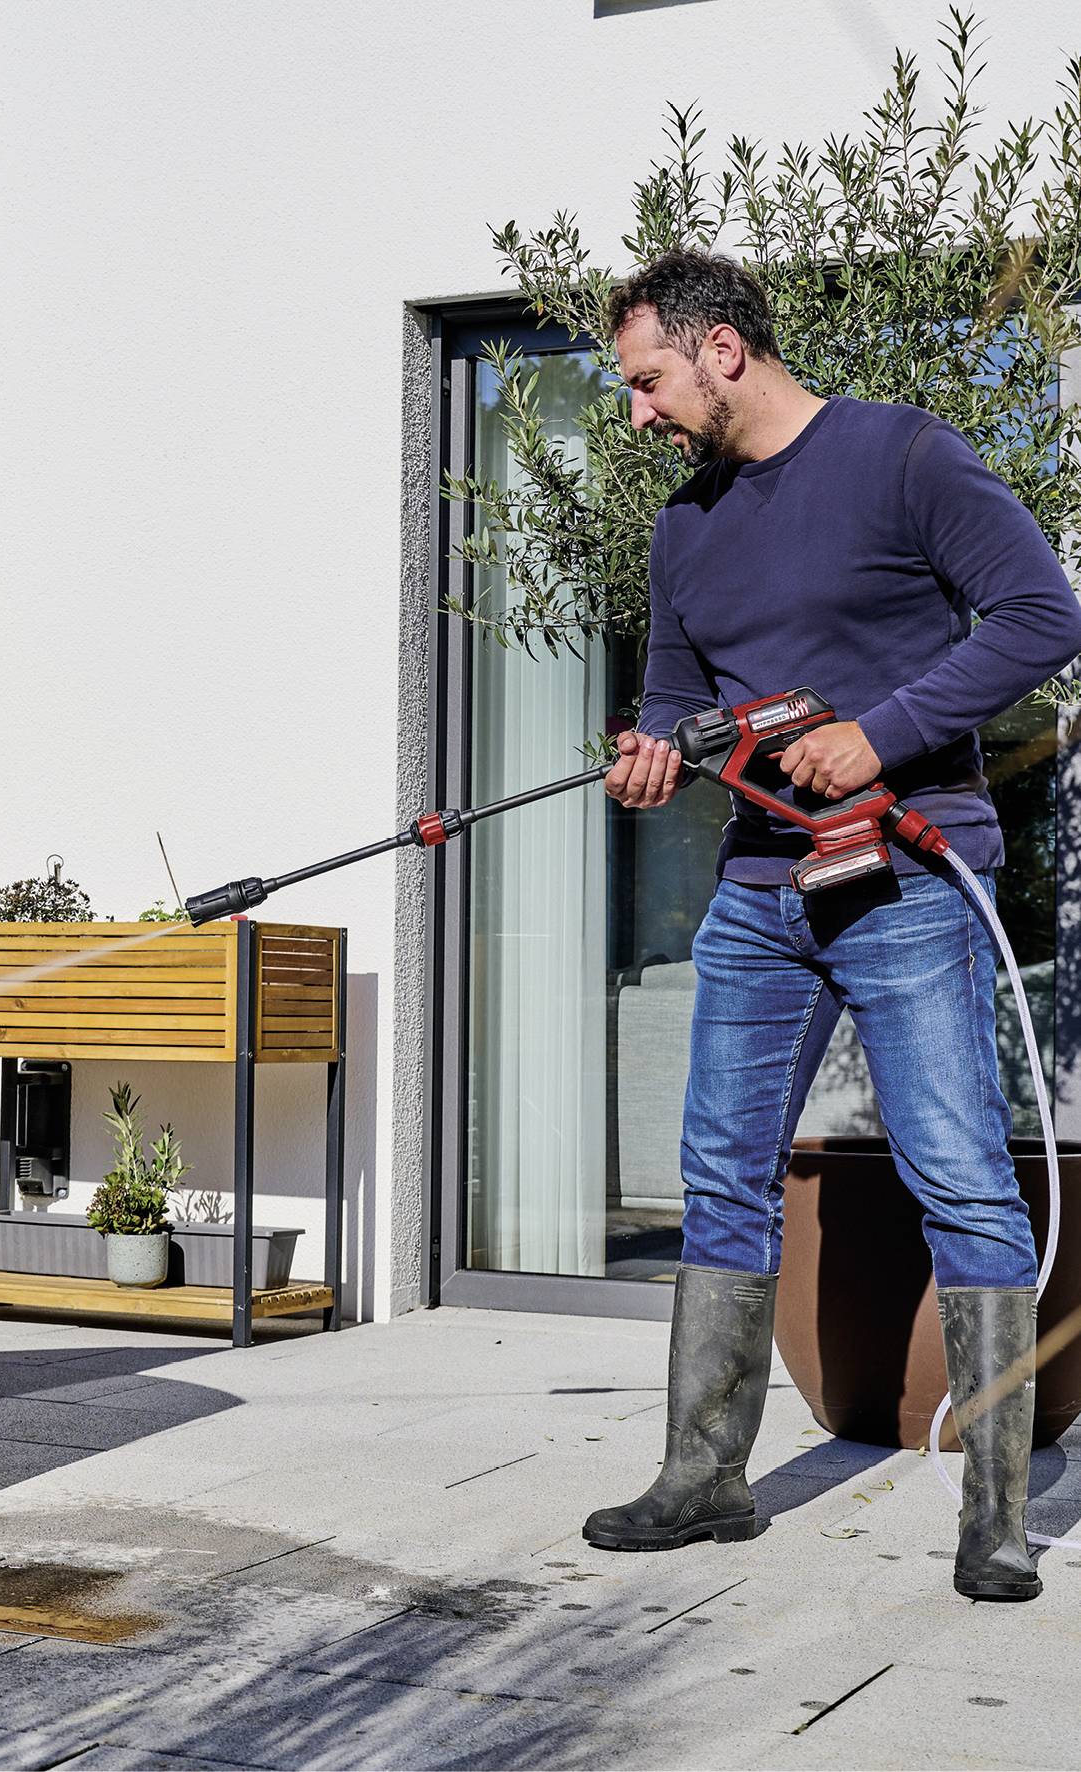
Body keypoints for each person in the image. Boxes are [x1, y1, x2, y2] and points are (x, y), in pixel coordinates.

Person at [582, 248, 1081, 1601]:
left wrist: (882, 737)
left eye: (644, 382)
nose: (637, 412)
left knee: (961, 1180)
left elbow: (1044, 615)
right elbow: (681, 707)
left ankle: (990, 1513)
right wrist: (648, 758)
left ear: (720, 350)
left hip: (912, 876)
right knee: (718, 1172)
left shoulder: (904, 458)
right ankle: (703, 1475)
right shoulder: (684, 526)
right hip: (758, 894)